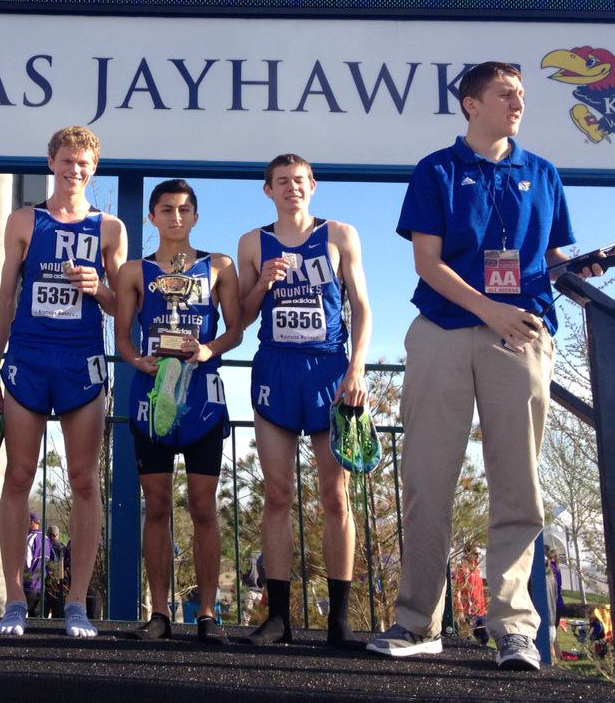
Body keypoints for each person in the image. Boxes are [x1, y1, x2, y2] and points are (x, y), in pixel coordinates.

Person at [366, 62, 607, 670]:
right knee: (425, 478)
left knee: (518, 483)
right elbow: (428, 263)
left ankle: (514, 629)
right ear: (472, 105)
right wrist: (490, 311)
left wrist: (578, 270)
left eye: (521, 94)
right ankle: (418, 621)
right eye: (506, 94)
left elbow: (552, 258)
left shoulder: (543, 173)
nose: (518, 102)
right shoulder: (436, 170)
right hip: (444, 332)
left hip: (521, 340)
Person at [0, 126, 127, 638]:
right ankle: (15, 600)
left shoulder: (110, 228)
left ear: (93, 168)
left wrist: (100, 288)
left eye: (84, 163)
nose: (75, 170)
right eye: (67, 161)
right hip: (27, 360)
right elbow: (4, 299)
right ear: (51, 162)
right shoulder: (25, 220)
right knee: (18, 477)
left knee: (85, 481)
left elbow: (122, 305)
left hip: (81, 362)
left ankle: (77, 604)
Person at [237, 154, 372, 648]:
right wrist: (264, 284)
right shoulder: (253, 242)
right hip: (275, 368)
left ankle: (339, 620)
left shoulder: (339, 234)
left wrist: (357, 369)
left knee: (336, 497)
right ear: (268, 190)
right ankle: (278, 618)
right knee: (277, 495)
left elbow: (361, 306)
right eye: (281, 182)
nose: (291, 188)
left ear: (312, 186)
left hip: (329, 370)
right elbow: (243, 315)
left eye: (299, 181)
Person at [114, 179, 242, 644]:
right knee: (157, 507)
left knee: (204, 507)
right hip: (152, 399)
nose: (175, 217)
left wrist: (208, 350)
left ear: (195, 216)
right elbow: (123, 337)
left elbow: (236, 330)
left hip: (202, 398)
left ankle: (207, 614)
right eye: (166, 209)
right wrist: (135, 361)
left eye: (184, 209)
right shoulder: (133, 271)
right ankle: (160, 613)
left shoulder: (220, 266)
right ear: (151, 217)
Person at [452, 546, 488, 644]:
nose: (478, 556)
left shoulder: (477, 569)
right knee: (464, 641)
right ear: (467, 553)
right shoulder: (461, 569)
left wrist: (484, 608)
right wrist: (460, 612)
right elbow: (456, 591)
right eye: (475, 553)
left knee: (484, 639)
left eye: (479, 554)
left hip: (479, 611)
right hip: (466, 611)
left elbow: (479, 590)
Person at [44, 525, 67, 618]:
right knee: (58, 616)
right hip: (59, 584)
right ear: (58, 535)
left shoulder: (44, 545)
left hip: (44, 583)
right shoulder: (62, 547)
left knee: (41, 615)